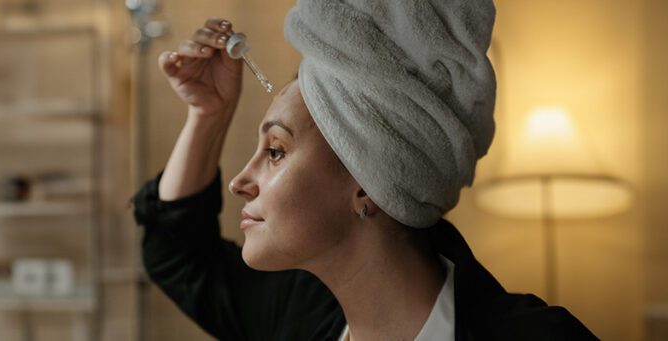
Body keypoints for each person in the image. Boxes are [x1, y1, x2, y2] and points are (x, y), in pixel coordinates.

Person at [132, 1, 597, 339]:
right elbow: (178, 256)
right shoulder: (303, 314)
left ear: (366, 183)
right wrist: (207, 116)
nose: (239, 181)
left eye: (275, 151)